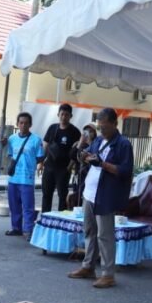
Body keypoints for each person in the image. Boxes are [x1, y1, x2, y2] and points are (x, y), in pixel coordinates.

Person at [67, 108, 134, 289]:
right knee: (89, 231)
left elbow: (125, 171)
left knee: (105, 235)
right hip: (90, 191)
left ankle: (108, 274)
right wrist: (83, 155)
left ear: (114, 123)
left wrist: (102, 164)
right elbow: (88, 154)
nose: (101, 130)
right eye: (99, 126)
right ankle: (88, 266)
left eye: (105, 127)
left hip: (106, 194)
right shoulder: (98, 140)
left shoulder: (123, 144)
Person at [4, 112, 44, 238]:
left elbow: (40, 157)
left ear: (30, 124)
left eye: (26, 123)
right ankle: (16, 228)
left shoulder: (36, 140)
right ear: (17, 124)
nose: (23, 125)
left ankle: (28, 230)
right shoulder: (12, 139)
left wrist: (30, 165)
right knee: (14, 205)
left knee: (27, 207)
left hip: (27, 179)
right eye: (21, 123)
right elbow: (10, 155)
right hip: (13, 178)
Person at [41, 103, 82, 213]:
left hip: (64, 168)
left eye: (67, 115)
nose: (64, 117)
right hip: (49, 166)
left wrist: (70, 167)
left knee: (62, 195)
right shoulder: (52, 128)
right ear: (58, 114)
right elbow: (45, 144)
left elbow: (76, 152)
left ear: (71, 116)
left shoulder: (75, 131)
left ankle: (61, 218)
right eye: (62, 114)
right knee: (46, 194)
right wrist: (42, 160)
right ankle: (45, 218)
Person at [69, 124, 98, 206]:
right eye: (86, 131)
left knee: (85, 196)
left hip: (89, 174)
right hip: (79, 174)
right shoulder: (78, 143)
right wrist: (80, 143)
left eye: (91, 131)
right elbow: (72, 156)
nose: (88, 133)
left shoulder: (97, 145)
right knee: (76, 195)